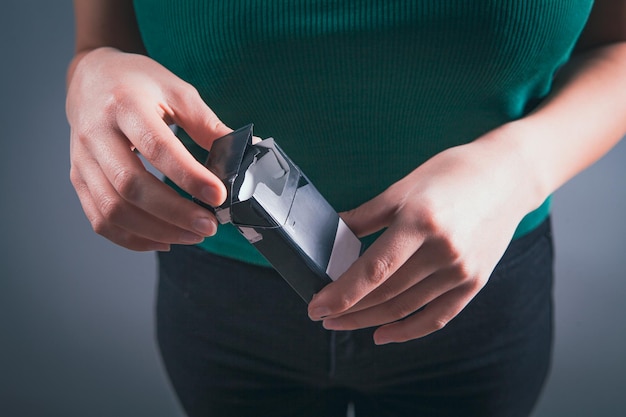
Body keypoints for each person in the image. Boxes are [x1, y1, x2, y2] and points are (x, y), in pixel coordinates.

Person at [66, 1, 626, 416]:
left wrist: (519, 166)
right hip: (222, 292)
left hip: (471, 289)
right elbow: (101, 43)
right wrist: (90, 76)